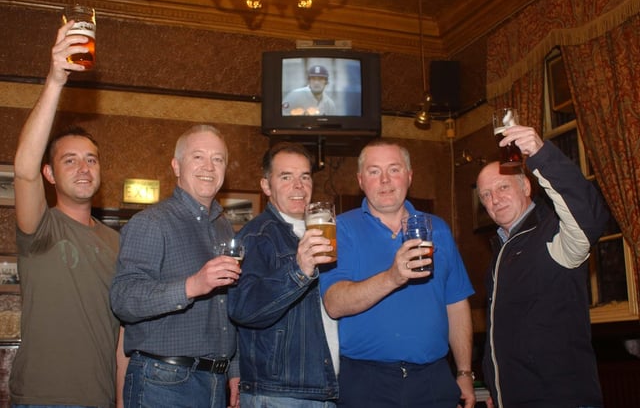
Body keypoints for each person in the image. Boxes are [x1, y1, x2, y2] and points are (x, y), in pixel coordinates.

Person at [10, 22, 127, 408]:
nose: (83, 168)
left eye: (91, 160)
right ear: (50, 174)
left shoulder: (116, 242)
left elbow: (121, 337)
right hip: (43, 398)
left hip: (100, 399)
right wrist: (56, 80)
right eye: (70, 160)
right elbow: (23, 169)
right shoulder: (40, 227)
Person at [319, 139, 476, 408]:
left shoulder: (437, 229)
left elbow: (457, 304)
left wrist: (463, 372)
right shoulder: (340, 229)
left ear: (409, 176)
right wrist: (393, 276)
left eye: (394, 169)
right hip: (365, 382)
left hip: (433, 379)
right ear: (360, 180)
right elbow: (334, 304)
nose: (384, 180)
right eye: (373, 171)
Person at [476, 125, 609, 408]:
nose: (494, 199)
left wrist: (541, 154)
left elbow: (590, 218)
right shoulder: (501, 250)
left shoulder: (554, 233)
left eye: (502, 187)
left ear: (526, 186)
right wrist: (497, 392)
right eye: (485, 195)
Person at [109, 125, 241, 408]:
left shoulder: (223, 227)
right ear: (176, 166)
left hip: (215, 381)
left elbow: (226, 307)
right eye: (198, 157)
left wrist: (234, 369)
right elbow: (123, 298)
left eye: (218, 159)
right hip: (163, 381)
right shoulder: (151, 222)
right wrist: (192, 286)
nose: (209, 166)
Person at [228, 142, 339, 407]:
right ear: (266, 186)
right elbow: (241, 308)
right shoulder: (256, 236)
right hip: (279, 394)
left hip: (328, 388)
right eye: (286, 177)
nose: (298, 186)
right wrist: (298, 271)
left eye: (305, 176)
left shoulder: (327, 231)